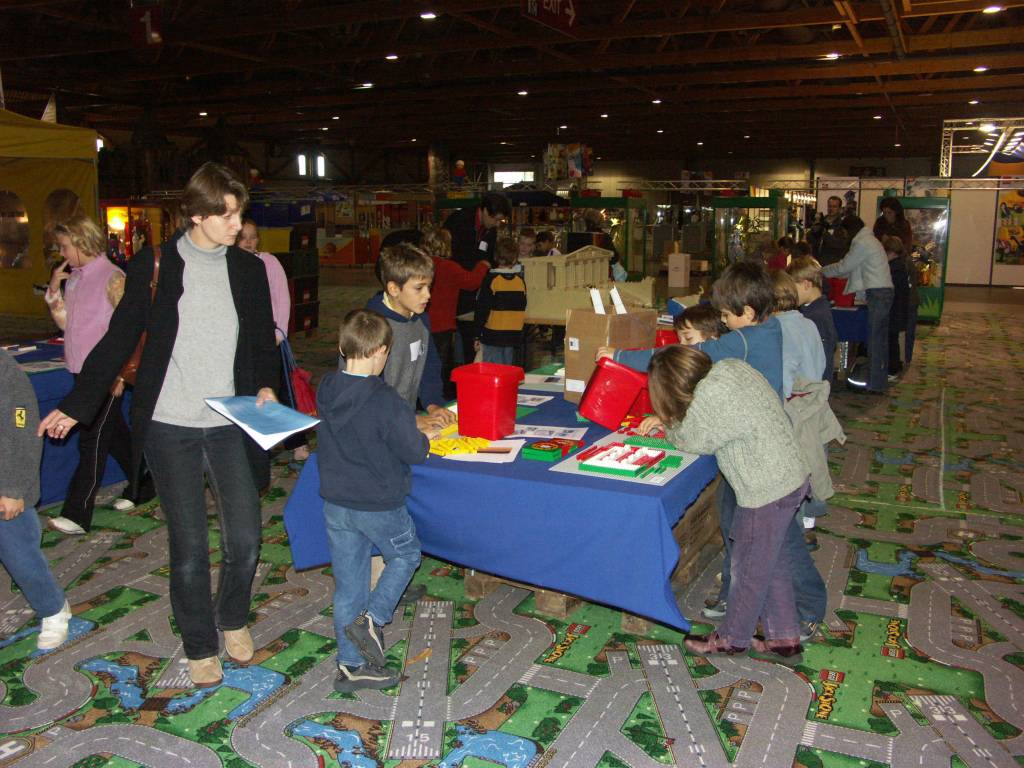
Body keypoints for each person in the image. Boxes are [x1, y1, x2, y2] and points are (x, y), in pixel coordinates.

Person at [39, 162, 281, 687]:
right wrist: (75, 405)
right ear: (196, 215)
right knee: (190, 547)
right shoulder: (155, 266)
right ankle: (199, 645)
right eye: (226, 214)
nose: (237, 225)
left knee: (245, 539)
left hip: (228, 422)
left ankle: (232, 616)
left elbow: (262, 343)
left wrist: (266, 387)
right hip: (171, 424)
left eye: (239, 213)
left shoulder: (248, 269)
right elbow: (115, 344)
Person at [643, 346, 810, 662]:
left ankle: (732, 639)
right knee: (769, 564)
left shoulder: (710, 396)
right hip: (790, 476)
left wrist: (666, 424)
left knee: (746, 567)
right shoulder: (729, 368)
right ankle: (783, 638)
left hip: (766, 490)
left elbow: (691, 440)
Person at [317, 309, 440, 692]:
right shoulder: (387, 400)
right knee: (406, 555)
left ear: (341, 347)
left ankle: (351, 666)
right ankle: (374, 618)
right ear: (383, 352)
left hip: (336, 503)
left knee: (349, 585)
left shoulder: (325, 387)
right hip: (378, 504)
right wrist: (426, 439)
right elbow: (413, 450)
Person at [43, 213, 143, 535]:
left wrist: (118, 375)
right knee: (114, 437)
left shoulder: (113, 278)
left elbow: (129, 332)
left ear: (82, 241)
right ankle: (146, 482)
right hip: (80, 369)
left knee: (93, 441)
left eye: (65, 246)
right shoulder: (74, 278)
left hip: (105, 375)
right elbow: (67, 324)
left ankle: (77, 512)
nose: (63, 253)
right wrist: (54, 293)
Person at [1, 350, 72, 651]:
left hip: (5, 482)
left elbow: (22, 427)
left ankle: (54, 609)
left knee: (20, 556)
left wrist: (13, 487)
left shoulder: (4, 369)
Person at [237, 219, 309, 466]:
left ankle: (297, 441)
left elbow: (283, 299)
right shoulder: (230, 266)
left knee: (283, 393)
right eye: (243, 237)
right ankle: (256, 447)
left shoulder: (269, 262)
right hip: (243, 343)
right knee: (249, 396)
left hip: (271, 340)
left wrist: (279, 333)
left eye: (253, 237)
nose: (248, 242)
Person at [365, 243, 457, 432]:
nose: (428, 295)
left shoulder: (421, 319)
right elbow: (367, 390)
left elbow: (429, 366)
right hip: (375, 423)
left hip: (403, 417)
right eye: (419, 288)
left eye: (429, 287)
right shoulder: (371, 326)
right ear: (394, 289)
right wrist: (408, 419)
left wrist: (433, 404)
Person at [823, 215, 894, 394]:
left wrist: (820, 271)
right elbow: (850, 270)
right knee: (879, 340)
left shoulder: (862, 243)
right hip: (883, 292)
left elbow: (844, 267)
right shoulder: (869, 240)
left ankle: (876, 384)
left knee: (875, 341)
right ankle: (879, 380)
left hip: (878, 293)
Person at [443, 192, 512, 366]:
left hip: (473, 292)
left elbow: (487, 257)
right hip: (453, 289)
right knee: (446, 345)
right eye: (496, 219)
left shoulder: (490, 231)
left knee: (469, 340)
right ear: (484, 211)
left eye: (501, 221)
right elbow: (450, 258)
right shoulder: (458, 222)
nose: (497, 224)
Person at [423, 226, 489, 398]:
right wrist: (483, 265)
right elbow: (472, 282)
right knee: (441, 365)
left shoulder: (421, 265)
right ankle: (440, 398)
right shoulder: (449, 267)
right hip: (443, 326)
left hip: (422, 323)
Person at [770, 270, 825, 399]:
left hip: (795, 401)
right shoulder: (809, 324)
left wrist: (779, 403)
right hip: (813, 396)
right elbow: (821, 361)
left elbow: (787, 368)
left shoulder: (780, 328)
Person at [474, 239, 527, 366]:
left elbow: (482, 308)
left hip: (493, 336)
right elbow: (523, 304)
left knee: (492, 370)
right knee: (506, 369)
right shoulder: (520, 281)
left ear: (496, 257)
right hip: (512, 336)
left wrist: (477, 335)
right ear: (515, 259)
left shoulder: (491, 280)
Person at [788, 256, 837, 385]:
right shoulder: (814, 310)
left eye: (793, 289)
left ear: (806, 285)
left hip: (815, 385)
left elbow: (822, 356)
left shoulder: (816, 317)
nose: (790, 294)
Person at [882, 235, 911, 378]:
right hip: (898, 309)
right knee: (893, 340)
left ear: (891, 252)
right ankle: (894, 367)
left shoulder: (894, 269)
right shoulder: (900, 265)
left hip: (895, 310)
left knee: (891, 340)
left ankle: (892, 369)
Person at [808, 196, 849, 267]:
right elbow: (810, 240)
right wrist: (814, 231)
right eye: (829, 206)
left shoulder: (842, 225)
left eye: (834, 206)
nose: (831, 209)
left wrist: (824, 233)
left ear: (839, 209)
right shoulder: (821, 221)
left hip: (832, 264)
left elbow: (839, 244)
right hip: (817, 262)